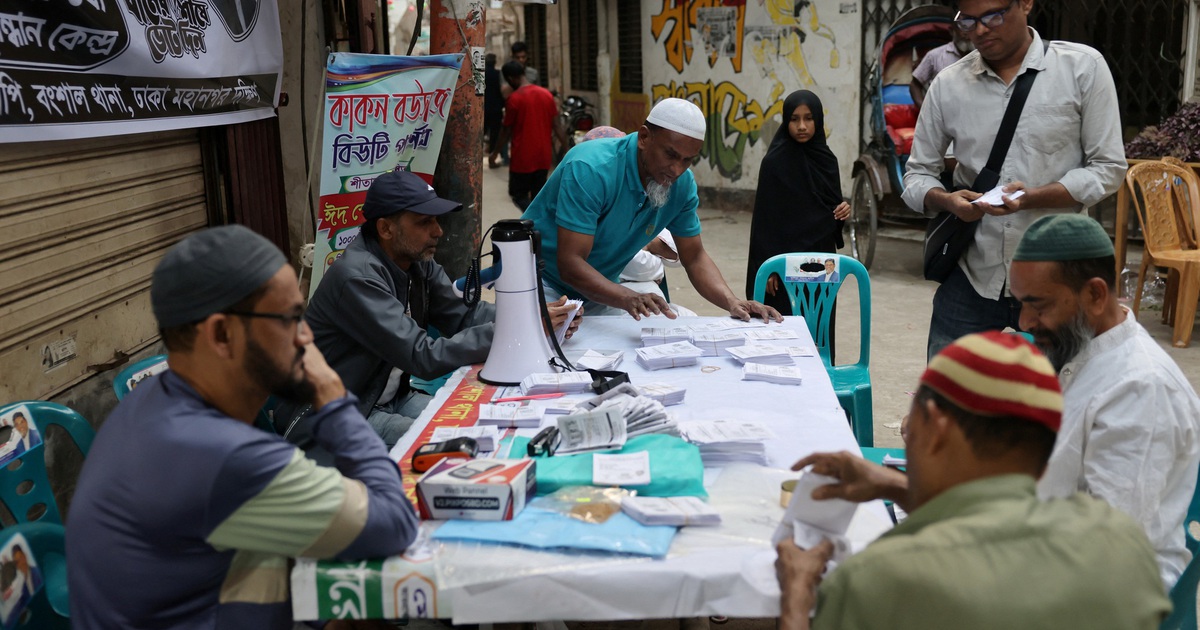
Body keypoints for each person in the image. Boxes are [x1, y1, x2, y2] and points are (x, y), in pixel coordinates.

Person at [66, 225, 420, 629]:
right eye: (291, 319)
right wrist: (335, 400)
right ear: (222, 334)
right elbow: (394, 521)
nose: (307, 336)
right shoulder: (218, 452)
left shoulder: (153, 402)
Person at [775, 331, 1171, 630]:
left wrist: (796, 596)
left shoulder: (882, 578)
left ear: (939, 429)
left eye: (910, 428)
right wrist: (895, 485)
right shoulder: (1123, 545)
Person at [901, 0, 1126, 361]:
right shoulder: (948, 85)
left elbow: (1108, 167)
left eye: (993, 15)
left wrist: (1034, 197)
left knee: (1061, 405)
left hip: (1057, 277)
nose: (979, 30)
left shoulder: (1082, 68)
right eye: (967, 20)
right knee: (949, 403)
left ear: (1025, 3)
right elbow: (916, 174)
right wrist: (947, 200)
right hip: (972, 273)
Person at [289, 169, 579, 448]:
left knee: (486, 421)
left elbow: (465, 315)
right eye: (424, 222)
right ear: (386, 228)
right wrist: (523, 327)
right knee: (464, 440)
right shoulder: (358, 278)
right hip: (336, 412)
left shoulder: (417, 264)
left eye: (437, 221)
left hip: (389, 396)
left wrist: (535, 315)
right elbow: (422, 355)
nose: (438, 231)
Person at [1009, 213, 1200, 586]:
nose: (1024, 321)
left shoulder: (1140, 388)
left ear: (1095, 295)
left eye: (1039, 306)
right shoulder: (1078, 350)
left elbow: (1106, 549)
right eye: (1021, 303)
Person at [521, 97, 782, 322]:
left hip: (600, 291)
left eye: (687, 160)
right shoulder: (591, 168)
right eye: (670, 155)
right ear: (644, 137)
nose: (677, 169)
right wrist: (628, 297)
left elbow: (694, 256)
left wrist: (732, 301)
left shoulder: (681, 185)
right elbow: (570, 264)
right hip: (540, 284)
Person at [746, 90, 849, 317]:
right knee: (782, 322)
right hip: (783, 262)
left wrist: (841, 212)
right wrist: (767, 268)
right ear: (786, 121)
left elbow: (830, 215)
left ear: (818, 120)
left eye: (808, 118)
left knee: (818, 322)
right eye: (794, 119)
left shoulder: (827, 161)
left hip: (820, 259)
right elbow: (764, 222)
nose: (801, 126)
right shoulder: (774, 162)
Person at [491, 61, 561, 211]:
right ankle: (538, 223)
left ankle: (533, 222)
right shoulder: (546, 95)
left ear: (510, 78)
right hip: (543, 157)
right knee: (538, 196)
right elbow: (557, 125)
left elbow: (505, 130)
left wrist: (495, 153)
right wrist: (567, 149)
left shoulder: (514, 99)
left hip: (522, 159)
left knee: (518, 195)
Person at [908, 29, 973, 109]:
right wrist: (925, 111)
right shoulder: (935, 55)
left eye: (969, 27)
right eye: (962, 27)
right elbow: (915, 85)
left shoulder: (981, 56)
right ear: (952, 30)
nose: (966, 32)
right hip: (943, 115)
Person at [484, 53, 507, 169]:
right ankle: (491, 159)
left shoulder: (481, 75)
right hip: (496, 109)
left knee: (481, 133)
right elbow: (502, 91)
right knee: (494, 134)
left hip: (483, 108)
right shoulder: (498, 75)